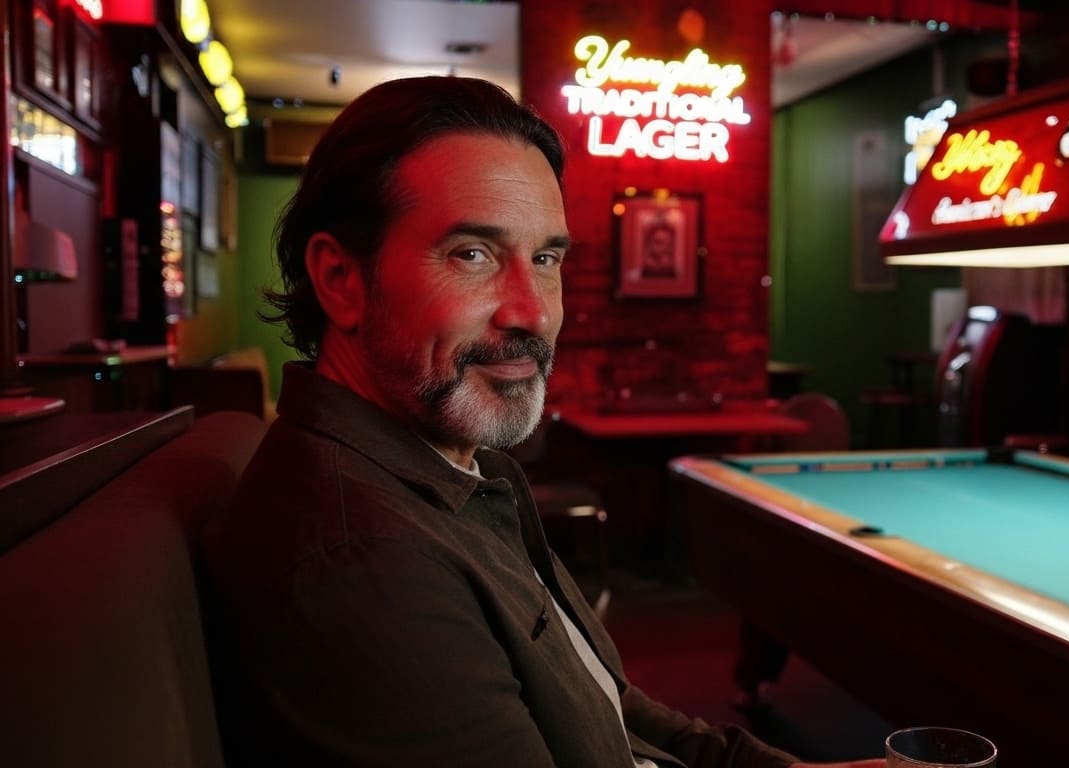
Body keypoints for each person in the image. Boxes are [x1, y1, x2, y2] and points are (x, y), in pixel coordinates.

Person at [199, 76, 883, 768]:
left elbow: (612, 712)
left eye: (547, 259)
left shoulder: (456, 470)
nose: (533, 312)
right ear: (342, 279)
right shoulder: (362, 560)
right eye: (473, 254)